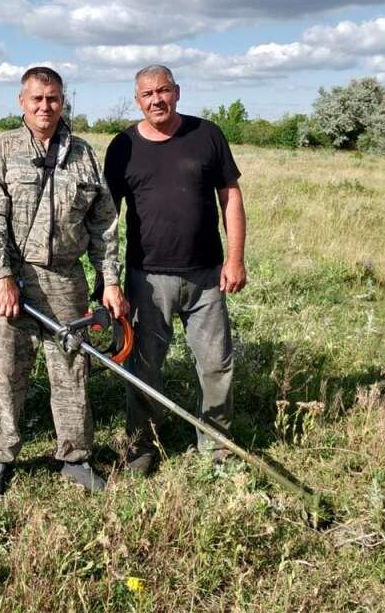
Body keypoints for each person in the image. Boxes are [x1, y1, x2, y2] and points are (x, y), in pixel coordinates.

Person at [0, 66, 127, 502]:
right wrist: (1, 276)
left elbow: (105, 225)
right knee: (2, 373)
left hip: (67, 280)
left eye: (53, 98)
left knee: (72, 368)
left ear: (63, 102)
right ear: (21, 102)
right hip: (12, 279)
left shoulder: (84, 155)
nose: (45, 106)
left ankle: (75, 458)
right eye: (36, 98)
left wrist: (109, 281)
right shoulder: (1, 150)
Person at [103, 65, 246, 476]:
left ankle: (217, 450)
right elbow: (107, 218)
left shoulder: (207, 135)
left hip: (206, 277)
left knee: (217, 364)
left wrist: (234, 259)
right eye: (147, 94)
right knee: (144, 368)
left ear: (177, 92)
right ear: (137, 100)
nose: (156, 100)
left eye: (163, 91)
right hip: (146, 279)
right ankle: (142, 447)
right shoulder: (123, 146)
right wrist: (107, 279)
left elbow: (230, 198)